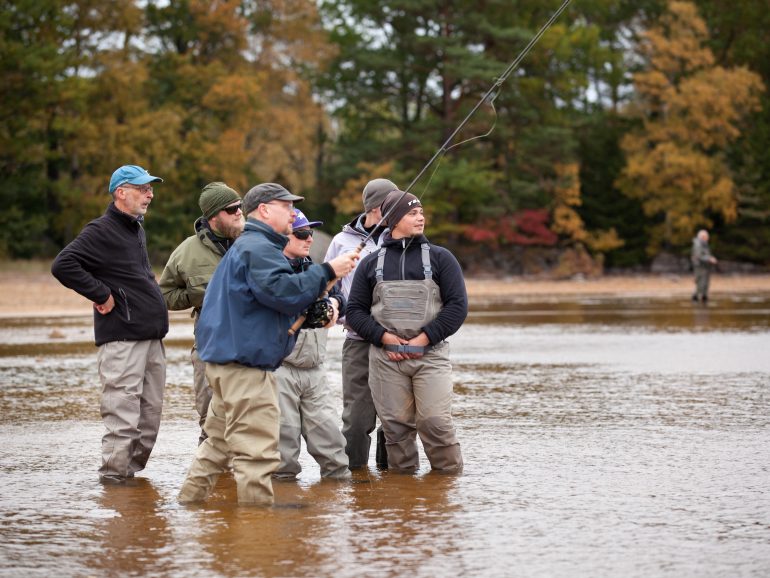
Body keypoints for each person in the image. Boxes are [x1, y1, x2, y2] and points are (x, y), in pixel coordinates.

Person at [177, 183, 359, 506]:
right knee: (256, 455)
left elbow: (268, 301)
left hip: (224, 366)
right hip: (245, 370)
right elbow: (283, 291)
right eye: (285, 206)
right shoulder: (258, 248)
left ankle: (189, 507)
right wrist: (330, 270)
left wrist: (321, 296)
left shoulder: (249, 246)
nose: (292, 212)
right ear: (263, 210)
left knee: (216, 446)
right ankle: (258, 539)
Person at [51, 164, 168, 485]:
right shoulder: (101, 229)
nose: (150, 194)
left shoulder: (136, 228)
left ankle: (130, 493)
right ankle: (114, 487)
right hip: (121, 341)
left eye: (150, 188)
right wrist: (100, 293)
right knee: (123, 422)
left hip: (151, 338)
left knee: (149, 421)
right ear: (121, 192)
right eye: (143, 189)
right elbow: (63, 264)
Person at [346, 190, 466, 474]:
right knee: (396, 429)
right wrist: (385, 339)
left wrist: (423, 339)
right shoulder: (370, 263)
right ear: (392, 219)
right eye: (412, 213)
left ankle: (446, 487)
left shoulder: (441, 258)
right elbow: (355, 311)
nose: (420, 217)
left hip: (431, 355)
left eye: (421, 212)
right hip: (386, 360)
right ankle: (403, 494)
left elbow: (458, 307)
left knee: (435, 422)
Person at [159, 182, 244, 444]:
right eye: (232, 209)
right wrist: (198, 295)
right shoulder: (186, 252)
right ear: (214, 216)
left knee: (252, 424)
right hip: (208, 346)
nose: (240, 212)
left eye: (241, 206)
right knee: (211, 425)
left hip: (253, 346)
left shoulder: (256, 242)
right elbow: (164, 295)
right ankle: (213, 484)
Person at [324, 178, 396, 470]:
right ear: (378, 208)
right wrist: (344, 314)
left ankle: (393, 483)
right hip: (357, 340)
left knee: (395, 419)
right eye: (392, 205)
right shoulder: (341, 243)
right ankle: (354, 479)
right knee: (356, 420)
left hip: (398, 340)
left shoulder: (404, 236)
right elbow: (328, 287)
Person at [273, 209, 350, 481]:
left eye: (311, 234)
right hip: (279, 369)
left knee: (332, 442)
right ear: (283, 237)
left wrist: (334, 303)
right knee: (283, 446)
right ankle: (282, 509)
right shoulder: (272, 273)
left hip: (315, 371)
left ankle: (337, 504)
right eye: (302, 234)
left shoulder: (318, 269)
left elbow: (342, 299)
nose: (309, 240)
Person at [691, 229, 718, 303]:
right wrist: (709, 259)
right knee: (700, 282)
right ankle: (695, 298)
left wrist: (709, 258)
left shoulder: (704, 244)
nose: (708, 238)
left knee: (705, 282)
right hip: (700, 266)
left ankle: (704, 298)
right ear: (703, 236)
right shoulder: (698, 244)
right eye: (706, 237)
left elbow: (705, 254)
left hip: (705, 266)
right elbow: (699, 256)